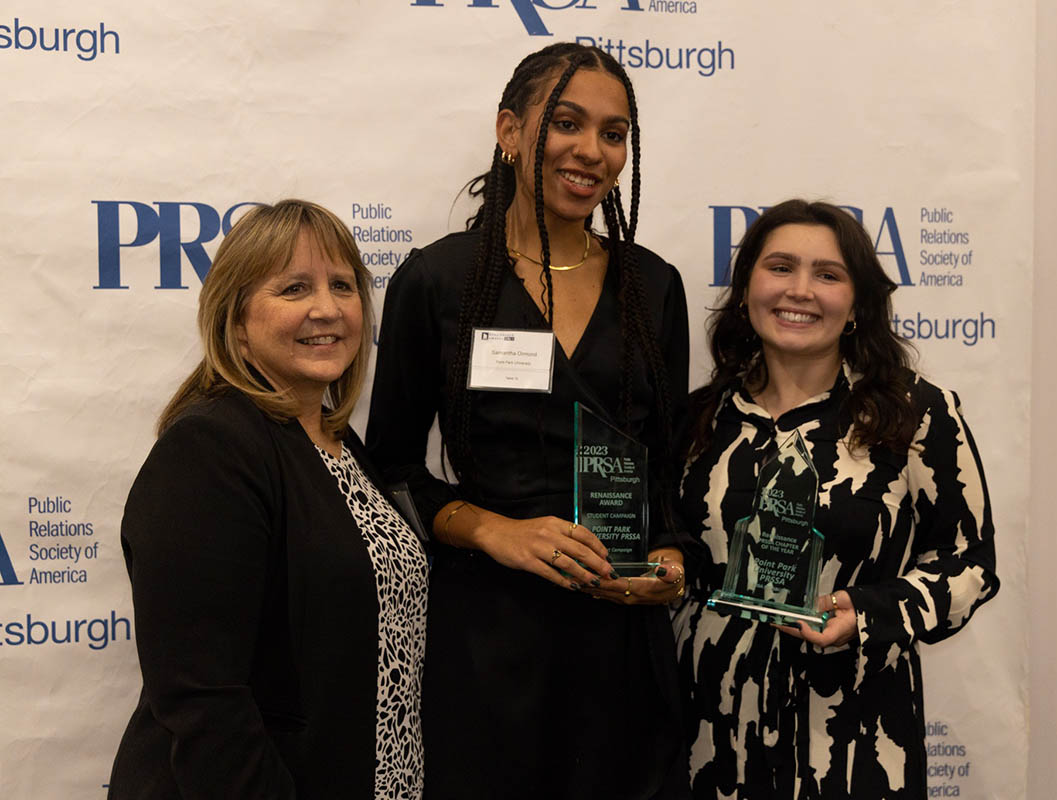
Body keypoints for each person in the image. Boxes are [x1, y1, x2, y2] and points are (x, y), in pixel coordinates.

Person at [367, 42, 691, 800]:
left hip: (622, 642)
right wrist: (492, 530)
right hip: (491, 644)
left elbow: (667, 466)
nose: (592, 151)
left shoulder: (653, 286)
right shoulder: (439, 280)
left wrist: (671, 562)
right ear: (511, 131)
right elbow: (391, 470)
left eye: (613, 134)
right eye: (567, 123)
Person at [674, 200, 999, 799]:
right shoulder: (699, 418)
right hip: (707, 739)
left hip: (854, 741)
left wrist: (870, 613)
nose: (800, 290)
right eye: (780, 267)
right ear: (747, 288)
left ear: (856, 305)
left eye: (828, 274)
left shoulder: (917, 414)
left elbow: (970, 564)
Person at [107, 200, 429, 799]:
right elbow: (204, 701)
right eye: (294, 288)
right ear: (236, 322)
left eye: (342, 285)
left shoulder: (337, 440)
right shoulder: (211, 449)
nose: (327, 308)